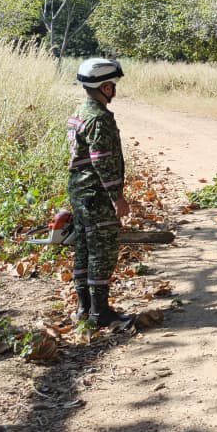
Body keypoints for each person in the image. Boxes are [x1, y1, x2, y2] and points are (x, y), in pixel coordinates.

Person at [67, 58, 135, 330]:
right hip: (96, 194)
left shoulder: (79, 113)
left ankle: (84, 309)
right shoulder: (99, 118)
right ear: (106, 88)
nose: (114, 91)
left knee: (84, 248)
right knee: (102, 251)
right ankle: (100, 312)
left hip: (79, 190)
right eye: (112, 86)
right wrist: (116, 197)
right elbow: (102, 160)